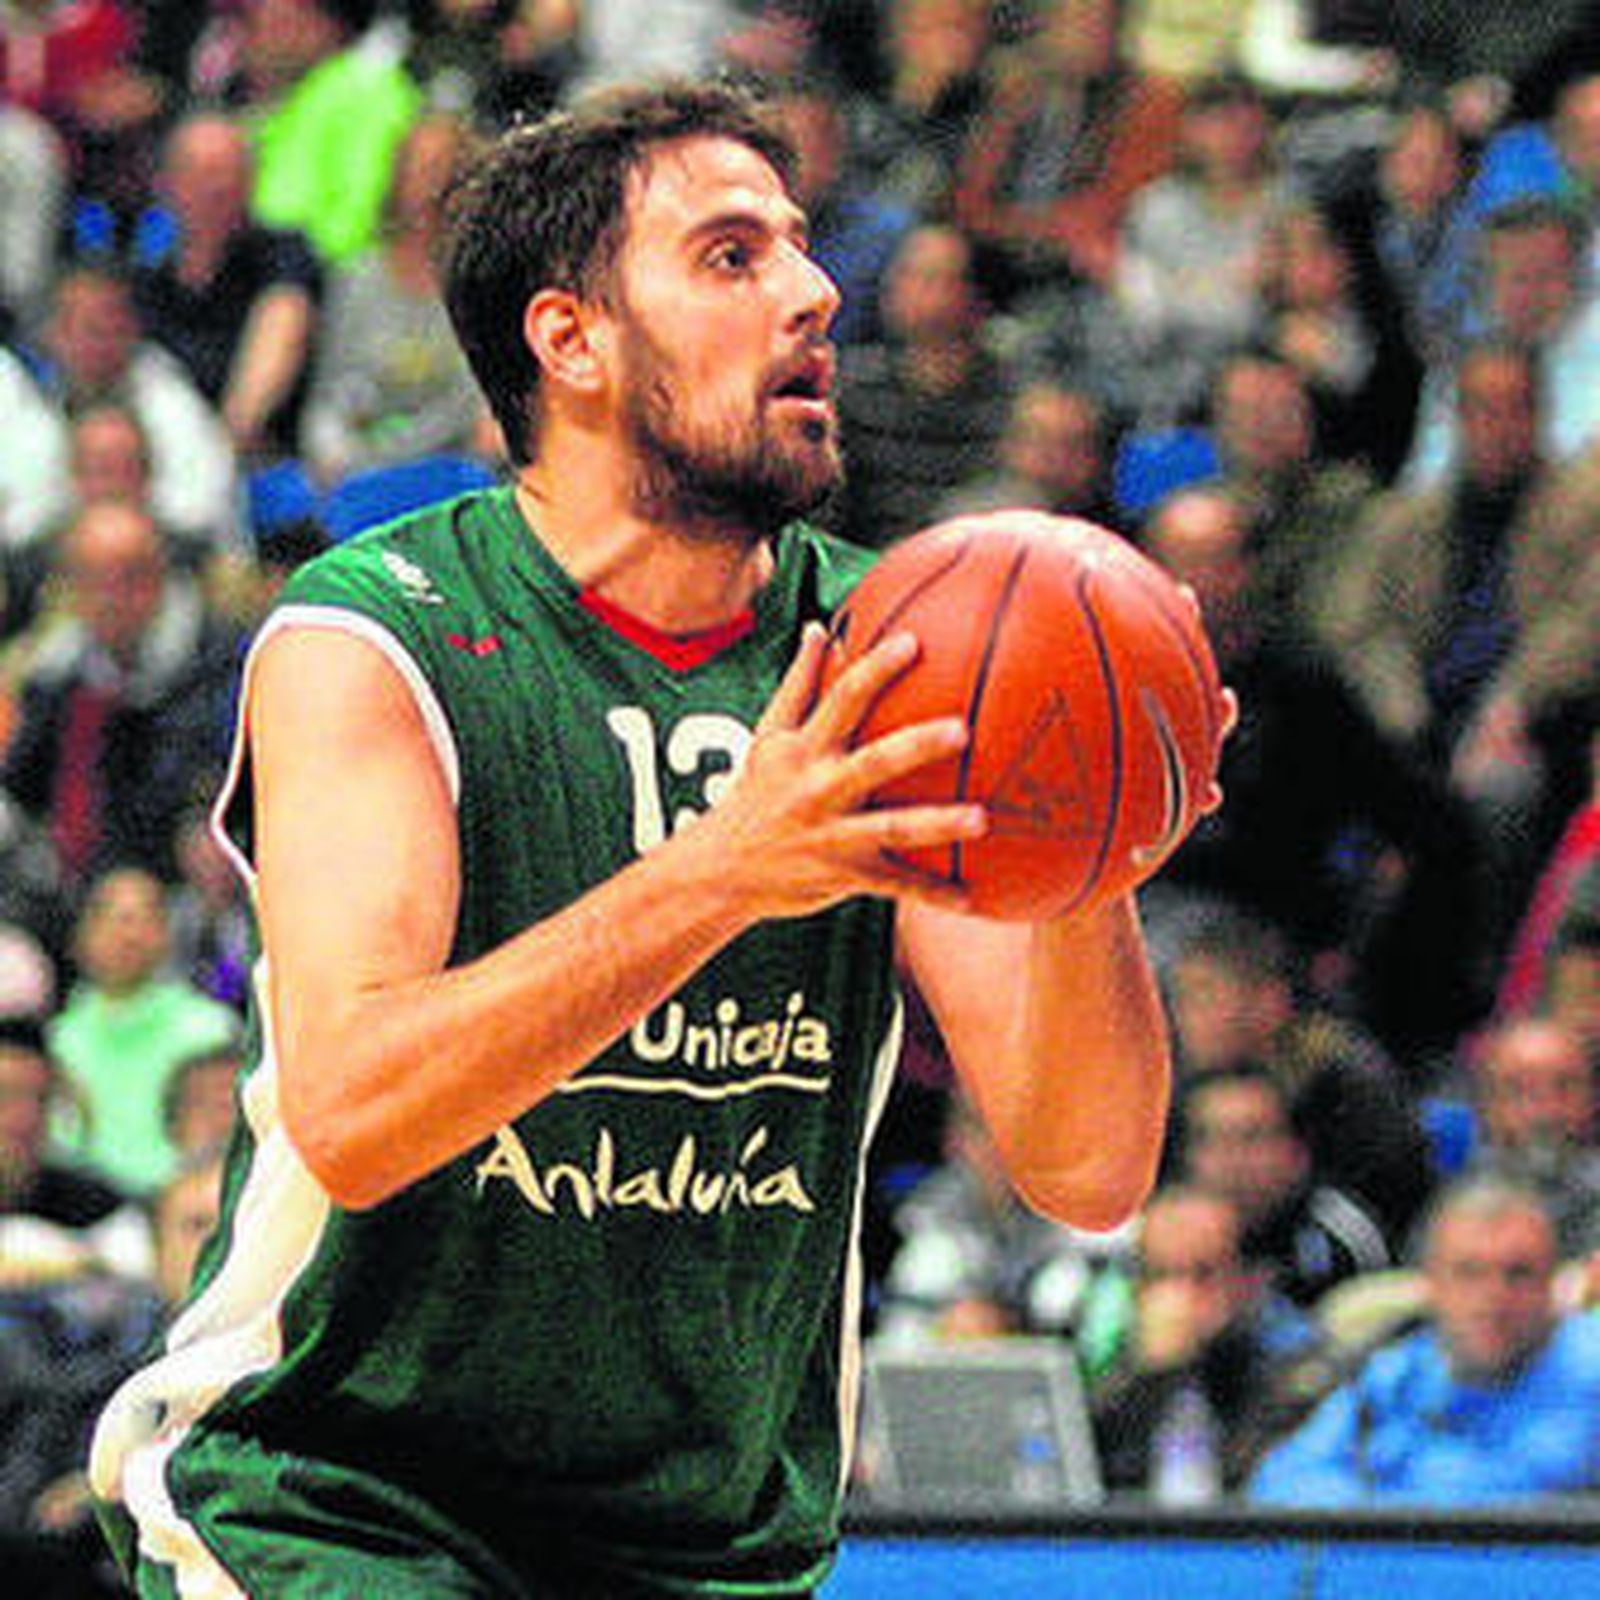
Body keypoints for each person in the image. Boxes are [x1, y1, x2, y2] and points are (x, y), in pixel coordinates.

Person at [89, 79, 1218, 1598]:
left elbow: (1086, 1170)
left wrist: (1090, 849)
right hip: (340, 1503)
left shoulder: (890, 655)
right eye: (732, 256)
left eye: (801, 247)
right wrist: (725, 869)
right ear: (572, 341)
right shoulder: (377, 635)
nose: (815, 293)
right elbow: (356, 1113)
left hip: (703, 1548)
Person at [1250, 1175, 1600, 1505]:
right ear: (1431, 1285)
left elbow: (1510, 1496)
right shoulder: (1399, 1370)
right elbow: (1279, 1481)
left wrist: (1374, 1488)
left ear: (1552, 1284)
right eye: (1469, 1272)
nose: (1494, 1298)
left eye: (1518, 1274)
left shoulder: (1588, 1369)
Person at [1090, 1183, 1327, 1500]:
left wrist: (1211, 1355)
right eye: (1160, 1275)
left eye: (1202, 1274)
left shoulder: (1293, 1362)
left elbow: (1255, 1485)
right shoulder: (1113, 1360)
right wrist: (1153, 1375)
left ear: (1245, 1281)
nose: (1178, 1298)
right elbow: (1097, 1478)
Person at [47, 867, 241, 1198]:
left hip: (188, 1202)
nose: (129, 935)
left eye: (145, 918)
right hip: (81, 1206)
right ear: (81, 935)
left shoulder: (212, 1029)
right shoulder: (57, 1041)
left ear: (167, 934)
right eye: (113, 918)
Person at [1173, 1063, 1393, 1308]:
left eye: (1251, 1137)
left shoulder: (1342, 1238)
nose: (1230, 1159)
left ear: (1297, 1153)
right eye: (1209, 1138)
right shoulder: (1153, 1235)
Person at [1466, 1013, 1600, 1259]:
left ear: (1592, 1100)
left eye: (1564, 1086)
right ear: (1486, 1107)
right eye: (1519, 1090)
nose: (1544, 1113)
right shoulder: (1450, 1219)